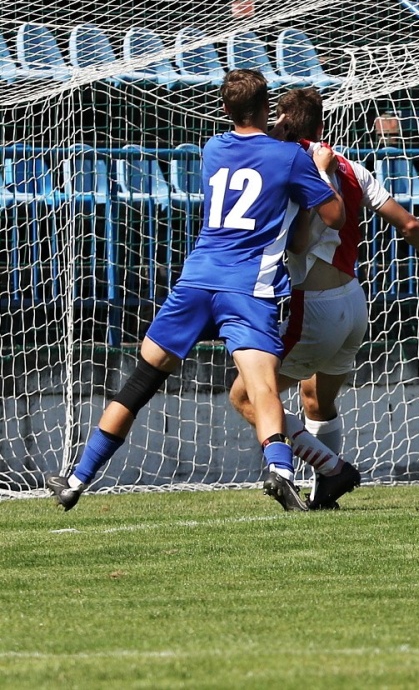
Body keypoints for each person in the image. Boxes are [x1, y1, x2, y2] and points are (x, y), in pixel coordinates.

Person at [47, 69, 345, 512]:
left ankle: (76, 479)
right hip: (248, 288)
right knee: (261, 388)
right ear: (267, 109)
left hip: (196, 282)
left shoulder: (213, 148)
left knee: (139, 383)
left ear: (225, 110)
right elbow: (335, 214)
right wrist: (316, 174)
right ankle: (280, 471)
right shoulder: (290, 159)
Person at [226, 87, 419, 509]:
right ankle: (325, 497)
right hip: (354, 304)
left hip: (313, 306)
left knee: (246, 395)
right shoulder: (354, 169)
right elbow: (409, 224)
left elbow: (295, 242)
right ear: (322, 127)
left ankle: (332, 468)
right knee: (318, 399)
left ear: (280, 123)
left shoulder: (285, 167)